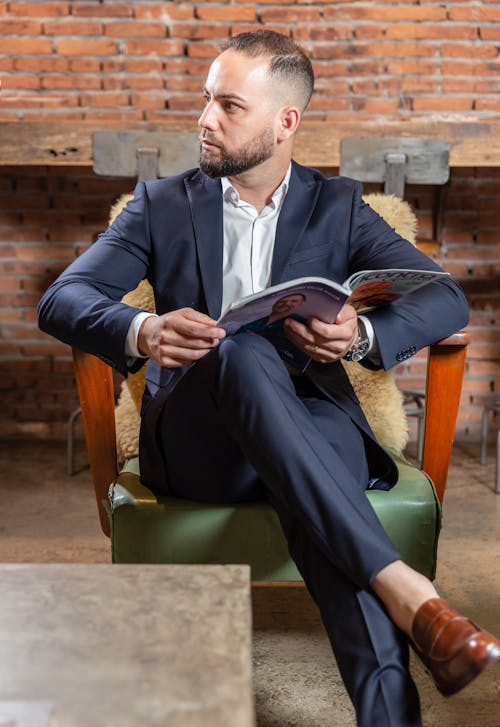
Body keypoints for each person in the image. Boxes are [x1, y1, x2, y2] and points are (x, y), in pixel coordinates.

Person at [38, 30, 499, 727]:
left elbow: (443, 297)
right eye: (205, 101)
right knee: (242, 352)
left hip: (312, 425)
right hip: (201, 445)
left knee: (313, 475)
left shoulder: (337, 205)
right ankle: (408, 591)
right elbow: (62, 299)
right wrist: (144, 330)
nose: (204, 119)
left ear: (285, 122)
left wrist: (362, 334)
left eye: (229, 106)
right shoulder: (160, 204)